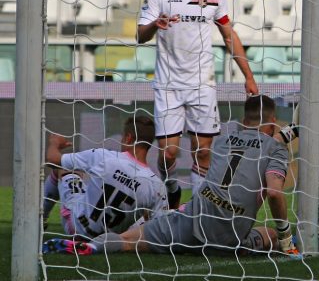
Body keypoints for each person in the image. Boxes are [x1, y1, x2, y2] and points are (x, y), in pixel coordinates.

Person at [43, 95, 301, 260]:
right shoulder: (274, 149)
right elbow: (275, 191)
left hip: (190, 223)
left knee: (129, 242)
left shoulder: (222, 142)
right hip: (228, 239)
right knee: (270, 235)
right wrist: (286, 236)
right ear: (273, 122)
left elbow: (253, 143)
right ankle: (276, 242)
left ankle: (90, 247)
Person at [136, 0, 258, 209]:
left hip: (203, 84)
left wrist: (248, 76)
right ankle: (171, 188)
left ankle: (198, 212)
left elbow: (229, 36)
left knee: (203, 152)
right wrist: (156, 24)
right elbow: (141, 35)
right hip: (168, 85)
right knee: (169, 154)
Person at [41, 116, 169, 241]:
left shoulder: (104, 156)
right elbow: (160, 230)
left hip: (77, 229)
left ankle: (41, 219)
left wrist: (54, 143)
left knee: (63, 168)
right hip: (111, 241)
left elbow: (53, 159)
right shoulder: (157, 186)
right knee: (146, 218)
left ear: (128, 138)